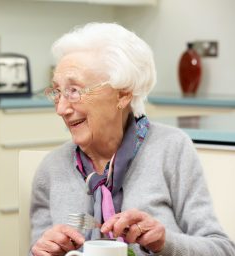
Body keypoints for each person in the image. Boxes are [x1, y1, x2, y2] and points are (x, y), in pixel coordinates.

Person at [30, 22, 235, 256]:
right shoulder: (51, 168)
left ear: (123, 94)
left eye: (75, 90)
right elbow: (36, 250)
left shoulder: (171, 149)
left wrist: (164, 243)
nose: (61, 108)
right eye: (57, 92)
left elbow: (222, 249)